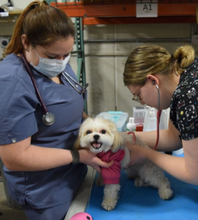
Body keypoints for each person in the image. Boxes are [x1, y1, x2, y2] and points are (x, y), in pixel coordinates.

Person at [0, 1, 112, 219]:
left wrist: (98, 130)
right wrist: (79, 156)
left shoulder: (60, 63)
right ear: (26, 42)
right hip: (44, 188)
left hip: (76, 170)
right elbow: (15, 157)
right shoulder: (12, 80)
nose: (61, 62)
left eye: (67, 54)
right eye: (53, 56)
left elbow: (70, 104)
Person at [123, 44, 198, 187]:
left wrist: (146, 154)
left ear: (153, 81)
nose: (142, 102)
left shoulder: (191, 97)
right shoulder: (188, 73)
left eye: (139, 95)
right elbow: (173, 136)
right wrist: (123, 138)